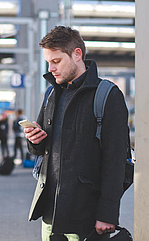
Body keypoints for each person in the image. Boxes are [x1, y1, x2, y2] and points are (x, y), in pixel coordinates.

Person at [24, 26, 129, 240]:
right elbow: (42, 148)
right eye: (48, 62)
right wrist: (34, 141)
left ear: (77, 54)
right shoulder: (52, 93)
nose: (51, 68)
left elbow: (116, 160)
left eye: (56, 61)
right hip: (50, 214)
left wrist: (107, 214)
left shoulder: (108, 95)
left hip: (85, 217)